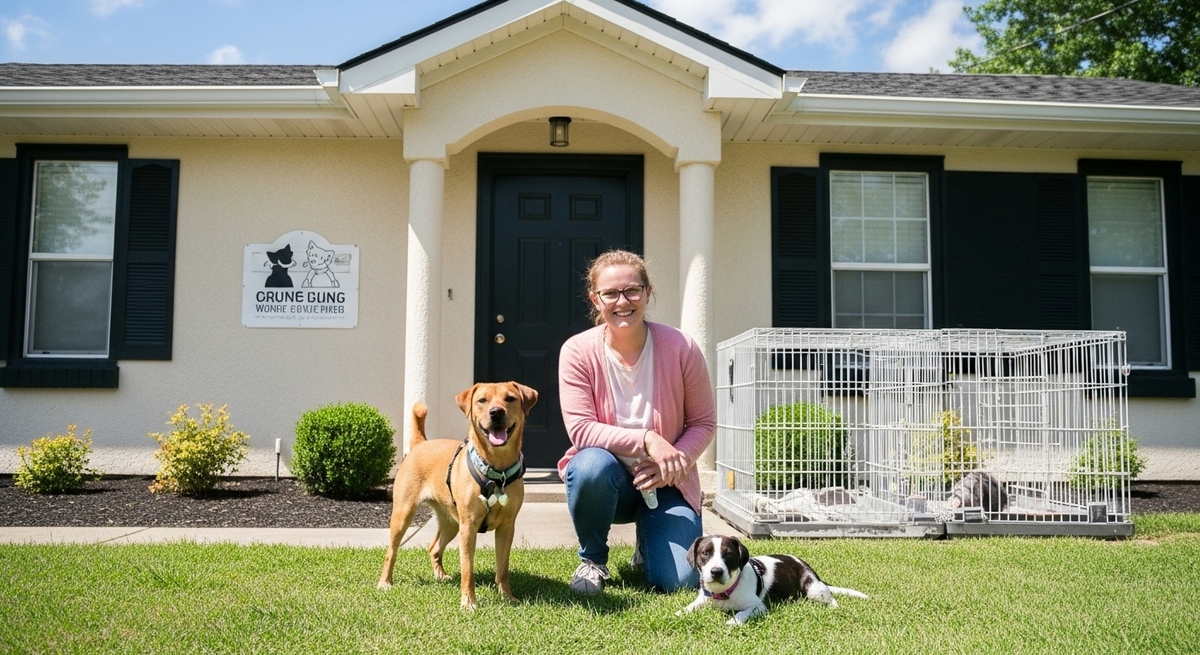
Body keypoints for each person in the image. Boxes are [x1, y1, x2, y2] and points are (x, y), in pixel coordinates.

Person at [557, 249, 716, 594]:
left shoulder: (681, 347)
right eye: (610, 293)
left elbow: (704, 422)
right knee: (589, 466)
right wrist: (648, 439)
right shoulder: (577, 351)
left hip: (666, 484)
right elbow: (581, 429)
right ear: (595, 299)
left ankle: (648, 545)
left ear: (647, 292)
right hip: (607, 482)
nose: (622, 301)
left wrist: (673, 463)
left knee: (680, 582)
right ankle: (593, 561)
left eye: (632, 290)